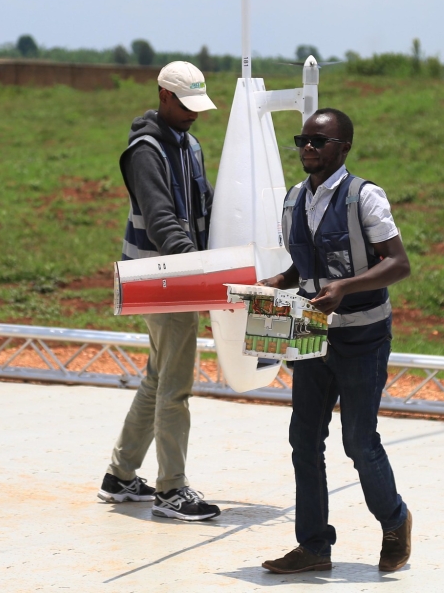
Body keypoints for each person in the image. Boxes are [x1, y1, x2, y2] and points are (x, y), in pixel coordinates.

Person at [259, 108, 413, 573]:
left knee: (359, 442)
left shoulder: (364, 198)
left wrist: (345, 287)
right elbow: (301, 265)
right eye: (302, 139)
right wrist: (279, 282)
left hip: (362, 336)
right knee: (304, 440)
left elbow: (399, 263)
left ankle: (394, 520)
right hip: (310, 330)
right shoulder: (292, 201)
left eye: (318, 141)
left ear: (343, 148)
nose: (307, 147)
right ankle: (313, 546)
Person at [97, 61, 221, 522]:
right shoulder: (146, 151)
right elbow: (162, 218)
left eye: (198, 107)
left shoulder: (190, 145)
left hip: (179, 272)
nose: (194, 114)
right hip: (161, 276)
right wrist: (199, 269)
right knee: (176, 385)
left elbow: (203, 205)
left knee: (158, 375)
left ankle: (121, 475)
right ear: (164, 96)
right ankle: (172, 490)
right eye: (186, 106)